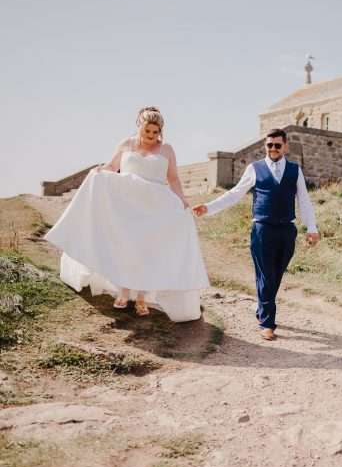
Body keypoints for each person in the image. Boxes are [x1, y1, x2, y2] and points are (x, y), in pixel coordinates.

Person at [45, 106, 209, 321]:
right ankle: (123, 291)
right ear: (139, 126)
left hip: (154, 207)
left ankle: (141, 297)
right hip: (126, 206)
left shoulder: (166, 149)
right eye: (147, 131)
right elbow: (112, 167)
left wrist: (182, 200)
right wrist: (98, 172)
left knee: (146, 250)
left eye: (155, 132)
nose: (151, 136)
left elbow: (174, 179)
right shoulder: (126, 144)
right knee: (125, 246)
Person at [192, 128, 319, 340]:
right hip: (262, 229)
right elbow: (234, 194)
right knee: (266, 275)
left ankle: (262, 309)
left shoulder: (295, 170)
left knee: (275, 275)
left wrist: (312, 228)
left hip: (287, 230)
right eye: (269, 145)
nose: (273, 149)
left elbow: (304, 201)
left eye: (277, 145)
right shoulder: (255, 168)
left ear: (285, 146)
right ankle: (267, 323)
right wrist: (208, 207)